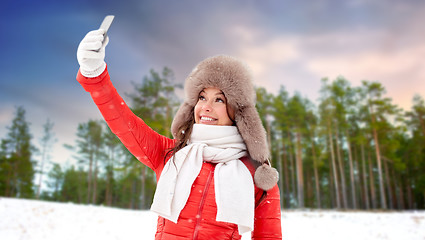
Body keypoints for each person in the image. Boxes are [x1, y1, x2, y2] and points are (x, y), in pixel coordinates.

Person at [76, 29, 282, 239]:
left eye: (219, 99)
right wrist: (95, 75)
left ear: (237, 110)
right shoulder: (170, 155)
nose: (206, 107)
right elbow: (124, 122)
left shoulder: (257, 175)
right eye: (202, 97)